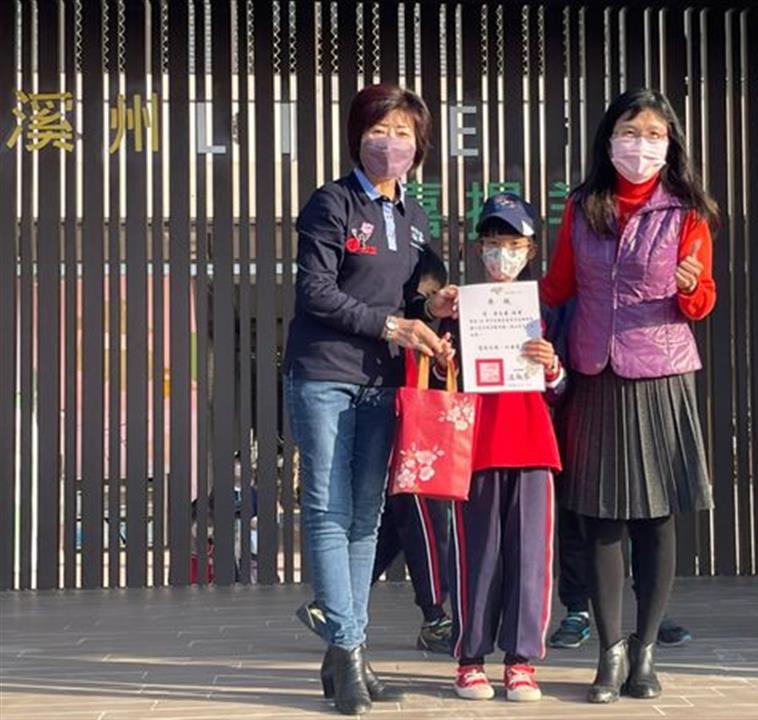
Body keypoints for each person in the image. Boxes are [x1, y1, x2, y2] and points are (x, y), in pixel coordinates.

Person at [284, 83, 457, 716]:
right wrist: (393, 325)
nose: (393, 144)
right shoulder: (332, 202)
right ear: (359, 135)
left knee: (365, 516)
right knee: (328, 509)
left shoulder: (413, 219)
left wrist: (429, 309)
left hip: (383, 380)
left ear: (420, 146)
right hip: (324, 374)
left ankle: (343, 656)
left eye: (406, 134)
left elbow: (405, 301)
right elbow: (316, 293)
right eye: (381, 131)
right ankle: (352, 650)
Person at [540, 89, 716, 704]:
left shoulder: (687, 212)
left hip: (661, 376)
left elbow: (700, 301)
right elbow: (558, 285)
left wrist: (693, 288)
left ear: (669, 144)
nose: (639, 145)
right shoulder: (582, 207)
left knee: (657, 517)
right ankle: (609, 652)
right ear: (608, 137)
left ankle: (645, 652)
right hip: (594, 369)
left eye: (652, 134)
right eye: (628, 131)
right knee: (600, 517)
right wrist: (497, 304)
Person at [295, 248, 454, 654]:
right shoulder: (394, 331)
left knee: (380, 525)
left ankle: (333, 611)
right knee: (412, 516)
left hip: (402, 433)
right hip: (401, 436)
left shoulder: (425, 330)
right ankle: (435, 616)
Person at [439, 193, 565, 703]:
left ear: (530, 250)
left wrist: (551, 364)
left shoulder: (547, 307)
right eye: (492, 243)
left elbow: (563, 385)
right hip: (476, 448)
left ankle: (521, 662)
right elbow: (437, 378)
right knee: (479, 556)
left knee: (531, 556)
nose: (501, 253)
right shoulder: (459, 307)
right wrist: (445, 347)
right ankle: (470, 659)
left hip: (534, 444)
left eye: (512, 244)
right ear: (477, 248)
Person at [544, 301, 692, 651]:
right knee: (581, 508)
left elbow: (697, 300)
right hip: (582, 369)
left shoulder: (655, 250)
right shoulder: (576, 255)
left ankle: (651, 613)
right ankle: (577, 608)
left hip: (641, 367)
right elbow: (558, 290)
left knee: (648, 504)